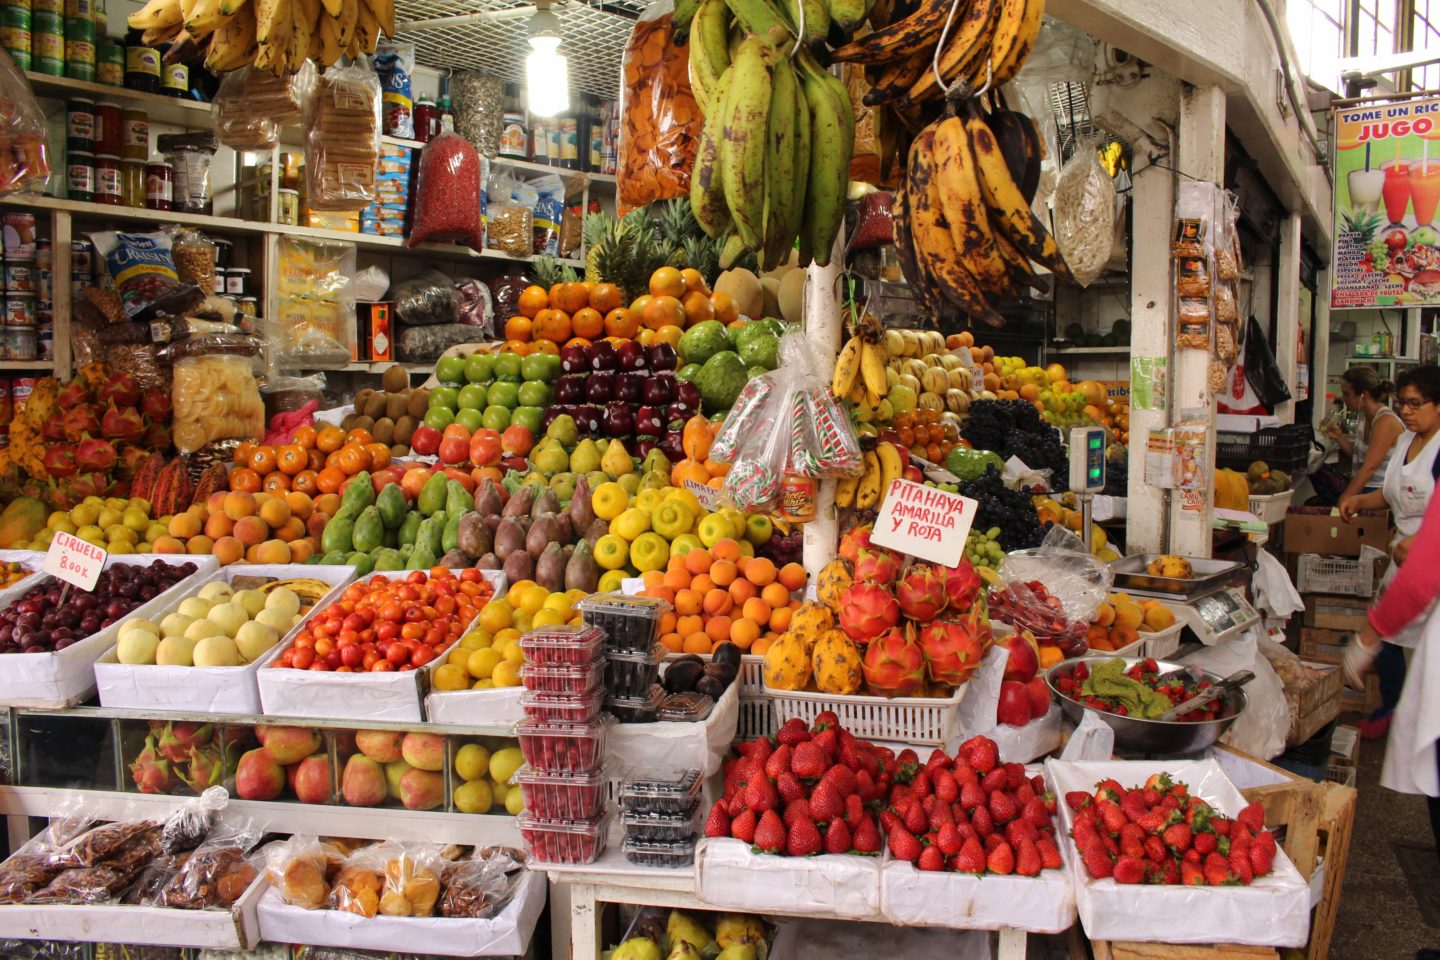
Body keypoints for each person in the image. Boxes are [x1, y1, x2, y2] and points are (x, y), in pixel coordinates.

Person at [1340, 365, 1440, 739]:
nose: (1408, 412)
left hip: (1430, 562)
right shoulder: (1404, 443)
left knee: (1417, 641)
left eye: (1416, 404)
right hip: (1404, 556)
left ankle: (1415, 717)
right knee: (1390, 633)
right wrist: (1361, 500)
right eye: (1403, 404)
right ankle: (1394, 710)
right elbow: (1392, 493)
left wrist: (1426, 542)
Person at [1329, 366, 1404, 501]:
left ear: (1364, 395)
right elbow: (1360, 457)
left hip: (1379, 490)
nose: (1343, 398)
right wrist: (1339, 436)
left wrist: (1345, 500)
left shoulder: (1385, 421)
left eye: (1347, 394)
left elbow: (1369, 467)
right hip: (1365, 486)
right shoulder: (1364, 416)